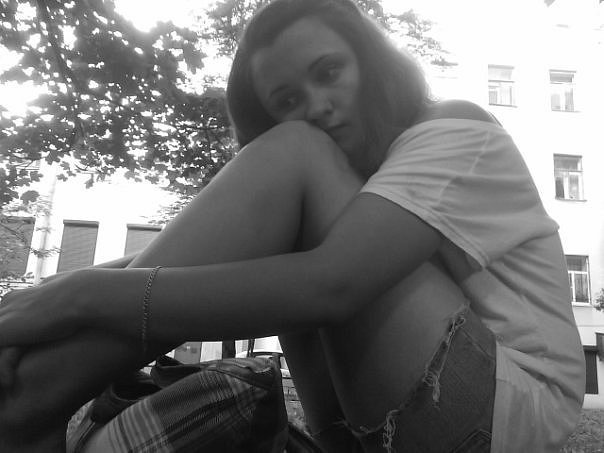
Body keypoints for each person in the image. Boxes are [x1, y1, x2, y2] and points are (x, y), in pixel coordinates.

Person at [0, 0, 585, 451]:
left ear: (371, 63)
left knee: (298, 167)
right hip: (409, 419)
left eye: (329, 71)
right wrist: (44, 304)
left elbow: (331, 284)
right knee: (282, 243)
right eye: (285, 100)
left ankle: (30, 402)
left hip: (513, 410)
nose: (317, 106)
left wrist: (78, 296)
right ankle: (34, 390)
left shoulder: (454, 128)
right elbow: (208, 258)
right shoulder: (349, 186)